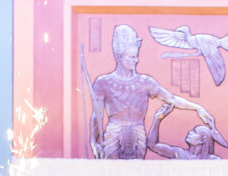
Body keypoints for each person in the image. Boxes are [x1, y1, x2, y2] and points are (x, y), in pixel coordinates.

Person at [88, 24, 219, 159]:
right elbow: (96, 115)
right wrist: (93, 141)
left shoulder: (146, 82)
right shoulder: (103, 82)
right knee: (112, 172)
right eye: (131, 57)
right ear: (119, 57)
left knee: (138, 171)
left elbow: (171, 99)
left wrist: (197, 108)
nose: (136, 60)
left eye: (136, 56)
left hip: (138, 133)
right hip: (113, 132)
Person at [147, 102, 228, 160]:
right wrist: (157, 119)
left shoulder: (213, 161)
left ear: (203, 140)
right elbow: (152, 145)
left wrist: (214, 129)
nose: (189, 132)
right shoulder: (179, 153)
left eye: (194, 132)